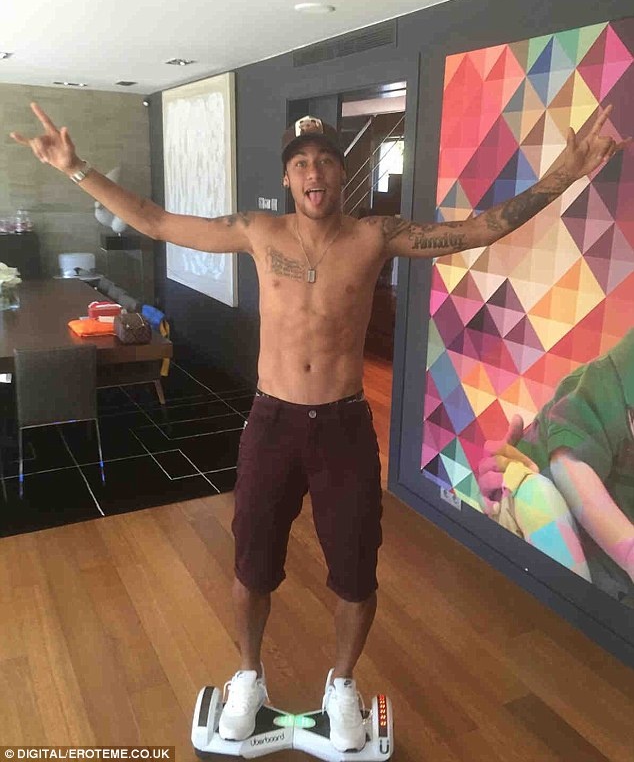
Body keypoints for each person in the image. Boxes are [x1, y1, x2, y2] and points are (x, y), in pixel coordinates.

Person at [11, 103, 629, 752]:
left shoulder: (375, 236)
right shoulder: (258, 231)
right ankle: (247, 677)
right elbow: (158, 220)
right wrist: (75, 168)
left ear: (341, 174)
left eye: (327, 161)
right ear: (288, 178)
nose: (314, 172)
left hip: (344, 426)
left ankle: (342, 684)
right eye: (302, 163)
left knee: (357, 571)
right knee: (252, 564)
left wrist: (564, 174)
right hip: (271, 422)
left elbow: (476, 230)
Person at [477, 330, 634, 605]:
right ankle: (575, 612)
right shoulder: (607, 380)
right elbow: (568, 465)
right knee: (539, 497)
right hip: (532, 491)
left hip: (603, 562)